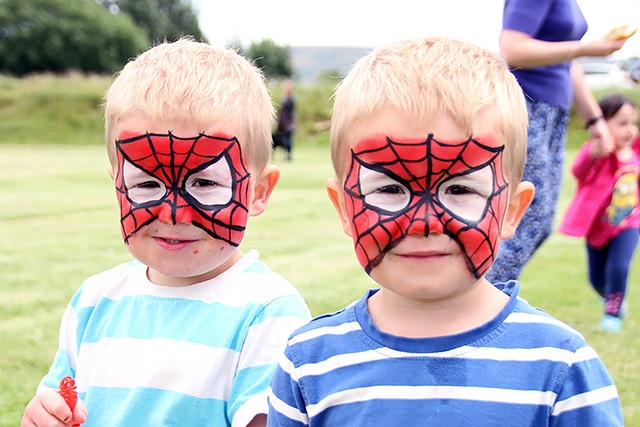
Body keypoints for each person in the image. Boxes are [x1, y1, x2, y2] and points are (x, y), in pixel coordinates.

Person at [266, 37, 623, 426]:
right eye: (389, 189)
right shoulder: (308, 364)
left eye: (460, 190)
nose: (425, 224)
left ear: (512, 210)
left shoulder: (561, 370)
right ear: (344, 208)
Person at [21, 38, 311, 427]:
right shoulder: (93, 302)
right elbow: (59, 399)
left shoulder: (269, 313)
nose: (172, 213)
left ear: (258, 192)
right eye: (145, 185)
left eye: (205, 184)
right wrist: (45, 415)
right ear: (117, 185)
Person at [486, 0, 632, 283]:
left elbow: (568, 64)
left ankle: (485, 297)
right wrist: (589, 48)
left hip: (554, 112)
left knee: (539, 222)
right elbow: (512, 49)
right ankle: (477, 299)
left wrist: (594, 119)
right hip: (528, 107)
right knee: (528, 215)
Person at [559, 94, 640, 333]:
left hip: (629, 223)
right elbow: (578, 171)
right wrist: (594, 151)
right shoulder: (596, 152)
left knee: (619, 267)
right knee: (596, 278)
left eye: (633, 123)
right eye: (623, 123)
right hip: (598, 226)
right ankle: (609, 296)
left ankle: (612, 312)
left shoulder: (636, 152)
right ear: (604, 124)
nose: (630, 130)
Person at [273, 80, 295, 161]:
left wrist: (282, 121)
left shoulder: (289, 99)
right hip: (286, 122)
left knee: (287, 139)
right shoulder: (288, 98)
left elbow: (285, 112)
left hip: (287, 123)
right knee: (286, 139)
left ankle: (288, 155)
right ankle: (288, 155)